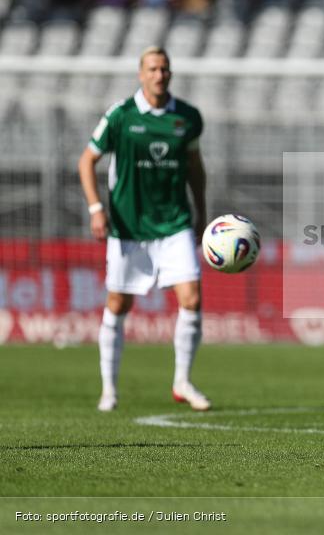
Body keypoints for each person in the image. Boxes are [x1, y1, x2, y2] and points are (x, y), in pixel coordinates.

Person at [78, 46, 209, 413]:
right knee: (119, 304)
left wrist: (201, 212)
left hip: (174, 223)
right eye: (152, 69)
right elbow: (86, 161)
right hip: (128, 225)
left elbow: (196, 168)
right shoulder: (121, 116)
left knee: (192, 299)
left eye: (165, 68)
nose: (159, 75)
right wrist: (96, 209)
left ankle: (182, 381)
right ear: (141, 74)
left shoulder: (187, 118)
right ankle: (109, 390)